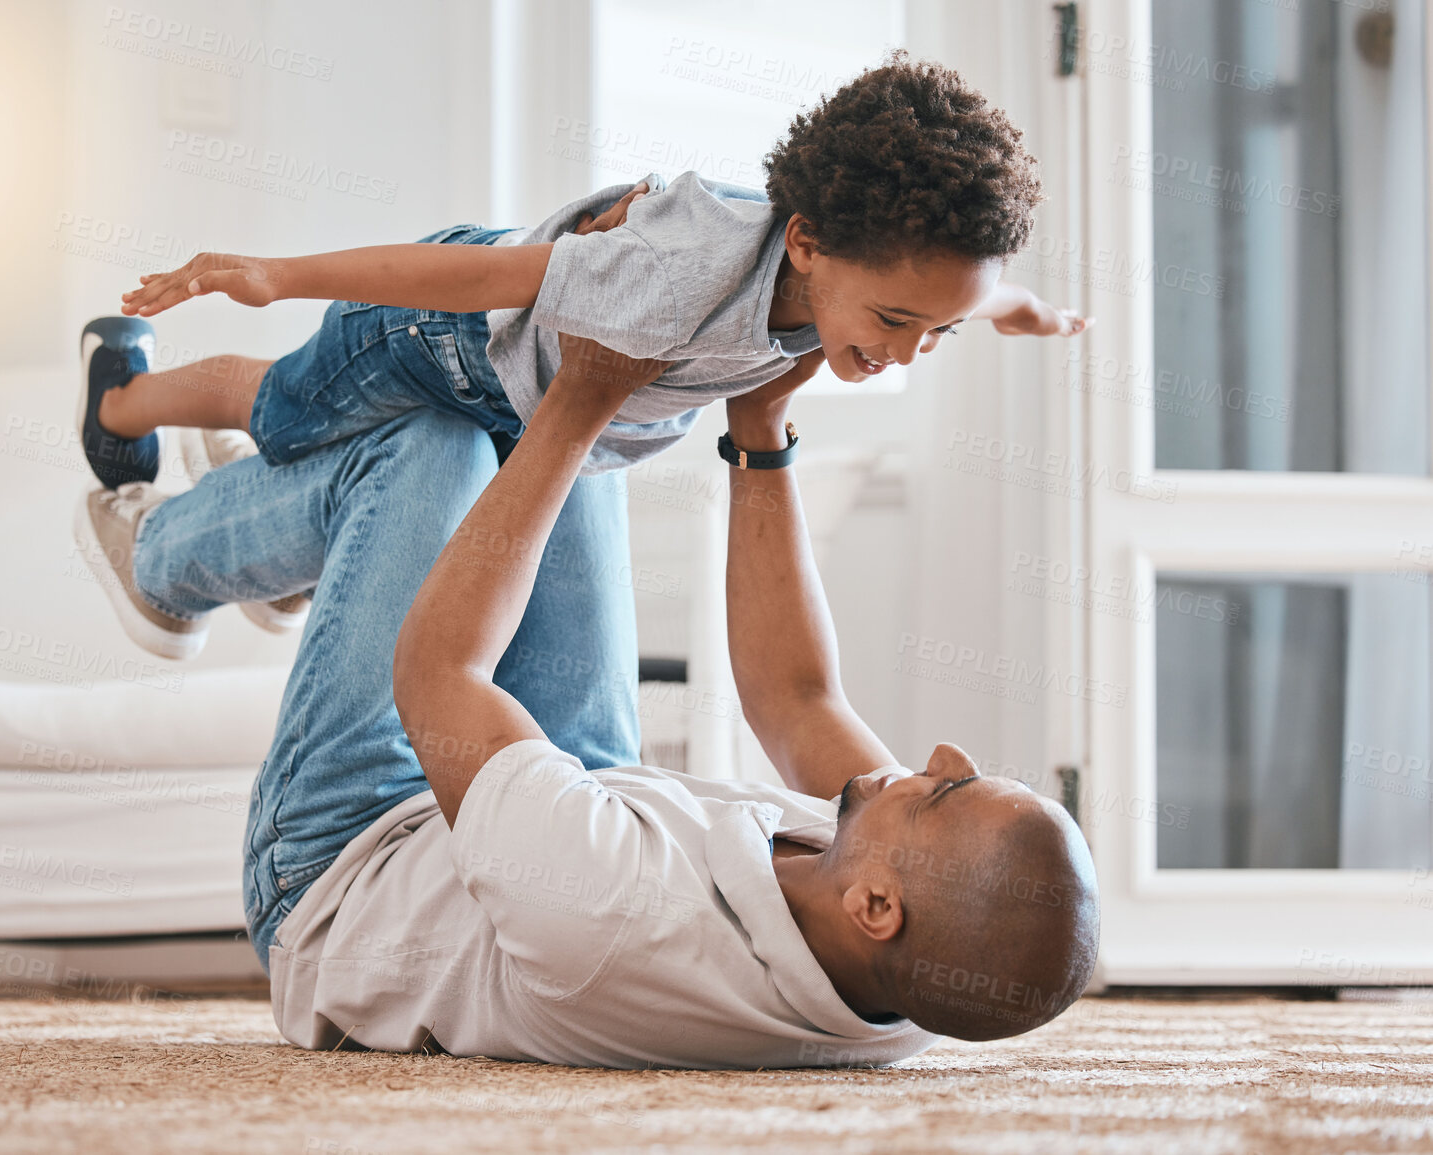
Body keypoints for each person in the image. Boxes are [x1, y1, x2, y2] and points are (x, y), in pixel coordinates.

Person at [76, 321, 1098, 1066]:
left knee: (442, 440)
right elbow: (796, 698)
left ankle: (159, 560)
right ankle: (317, 542)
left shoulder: (620, 917)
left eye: (952, 793)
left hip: (349, 859)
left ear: (878, 907)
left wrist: (580, 401)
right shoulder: (908, 967)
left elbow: (438, 676)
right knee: (554, 419)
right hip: (577, 792)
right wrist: (761, 423)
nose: (949, 758)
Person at [74, 55, 1087, 651]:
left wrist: (1023, 313)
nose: (902, 354)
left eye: (937, 331)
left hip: (519, 404)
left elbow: (975, 294)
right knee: (283, 405)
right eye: (896, 322)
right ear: (810, 244)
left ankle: (253, 507)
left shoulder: (874, 277)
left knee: (344, 502)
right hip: (441, 343)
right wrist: (278, 276)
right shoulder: (671, 272)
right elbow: (482, 277)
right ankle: (122, 392)